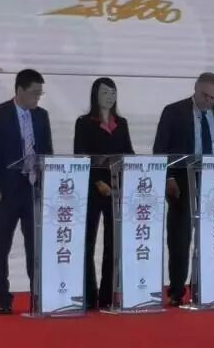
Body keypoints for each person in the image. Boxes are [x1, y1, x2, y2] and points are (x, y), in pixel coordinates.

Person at [152, 72, 214, 307]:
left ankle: (208, 286)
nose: (209, 101)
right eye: (205, 96)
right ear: (195, 88)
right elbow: (160, 148)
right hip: (182, 179)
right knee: (180, 236)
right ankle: (176, 290)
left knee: (213, 234)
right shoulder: (173, 111)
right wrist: (168, 177)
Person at [0, 69, 53, 315]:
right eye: (34, 93)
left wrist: (48, 183)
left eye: (40, 94)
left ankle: (38, 295)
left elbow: (47, 152)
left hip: (33, 190)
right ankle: (3, 299)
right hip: (6, 191)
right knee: (2, 245)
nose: (37, 98)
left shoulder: (42, 116)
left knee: (35, 247)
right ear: (20, 90)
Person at [73, 77, 134, 310]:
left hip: (116, 189)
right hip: (92, 189)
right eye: (105, 93)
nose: (109, 97)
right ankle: (89, 296)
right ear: (95, 95)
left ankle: (108, 296)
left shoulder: (122, 123)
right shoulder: (84, 123)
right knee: (87, 243)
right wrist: (98, 181)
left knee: (113, 244)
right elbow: (81, 155)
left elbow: (128, 152)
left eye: (113, 93)